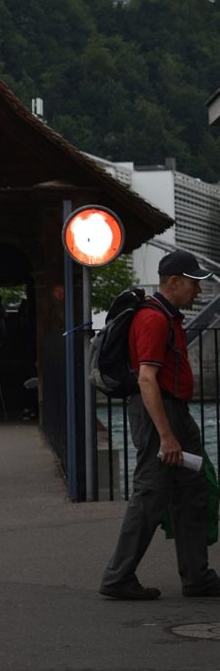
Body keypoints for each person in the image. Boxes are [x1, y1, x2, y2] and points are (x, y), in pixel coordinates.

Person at [99, 248, 220, 600]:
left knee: (193, 492)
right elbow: (147, 380)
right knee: (151, 494)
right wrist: (167, 435)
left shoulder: (167, 317)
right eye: (193, 284)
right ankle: (118, 576)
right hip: (159, 414)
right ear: (174, 282)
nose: (197, 292)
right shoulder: (154, 320)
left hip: (173, 412)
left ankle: (197, 576)